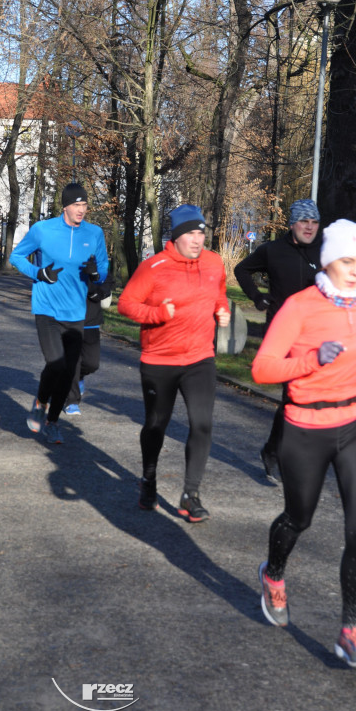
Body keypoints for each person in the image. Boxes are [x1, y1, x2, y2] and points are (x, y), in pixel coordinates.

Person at [252, 219, 356, 669]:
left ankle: (351, 629)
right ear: (327, 260)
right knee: (299, 518)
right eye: (347, 261)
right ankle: (273, 573)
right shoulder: (299, 308)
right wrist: (312, 359)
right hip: (306, 426)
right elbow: (263, 368)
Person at [117, 204, 230, 522]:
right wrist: (156, 315)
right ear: (177, 236)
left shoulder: (214, 262)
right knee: (156, 425)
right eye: (191, 233)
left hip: (199, 358)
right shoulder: (155, 267)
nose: (198, 239)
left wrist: (222, 310)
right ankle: (148, 480)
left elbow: (219, 292)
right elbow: (126, 304)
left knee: (202, 424)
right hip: (160, 361)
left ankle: (190, 495)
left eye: (201, 233)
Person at [9, 182, 109, 443]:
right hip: (47, 309)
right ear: (65, 206)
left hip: (76, 312)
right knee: (56, 363)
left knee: (69, 372)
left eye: (85, 205)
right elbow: (17, 257)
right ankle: (40, 402)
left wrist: (95, 274)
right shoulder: (43, 230)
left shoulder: (95, 233)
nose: (81, 210)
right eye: (76, 205)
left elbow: (104, 268)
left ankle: (53, 421)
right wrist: (38, 273)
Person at [234, 199, 322, 484]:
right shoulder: (272, 251)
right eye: (304, 221)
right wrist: (257, 297)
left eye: (314, 222)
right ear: (293, 223)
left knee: (311, 398)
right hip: (283, 334)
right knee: (293, 396)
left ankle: (274, 450)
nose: (309, 227)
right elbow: (241, 270)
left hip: (316, 334)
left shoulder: (325, 252)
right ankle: (283, 456)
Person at [63, 271, 115, 415]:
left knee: (92, 364)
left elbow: (108, 279)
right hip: (69, 318)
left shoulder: (96, 258)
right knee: (73, 361)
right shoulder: (67, 255)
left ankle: (79, 377)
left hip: (91, 319)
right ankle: (72, 401)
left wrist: (99, 292)